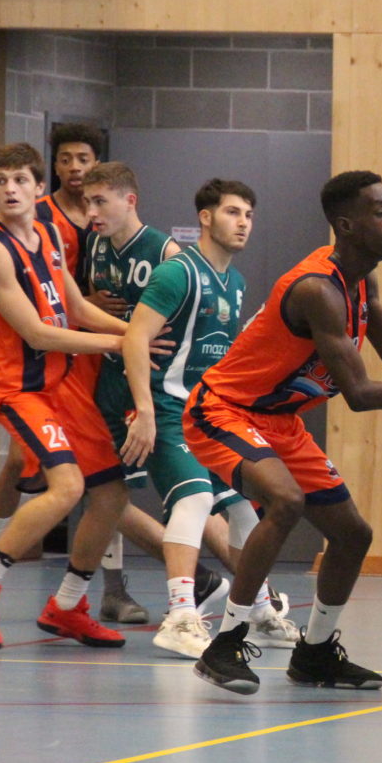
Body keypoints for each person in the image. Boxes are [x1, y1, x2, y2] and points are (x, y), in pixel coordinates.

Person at [184, 169, 382, 695]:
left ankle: (316, 653)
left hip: (279, 420)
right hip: (225, 409)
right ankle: (224, 644)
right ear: (346, 225)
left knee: (353, 535)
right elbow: (361, 394)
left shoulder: (360, 281)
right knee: (286, 500)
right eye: (380, 211)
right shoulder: (316, 290)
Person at [0, 143, 130, 650]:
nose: (10, 189)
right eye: (1, 181)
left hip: (61, 383)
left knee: (111, 494)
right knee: (67, 488)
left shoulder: (47, 234)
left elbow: (77, 308)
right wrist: (119, 344)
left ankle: (67, 606)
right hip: (19, 388)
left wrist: (136, 333)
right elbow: (38, 333)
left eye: (20, 180)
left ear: (38, 188)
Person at [121, 179, 273, 658]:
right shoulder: (177, 273)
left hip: (210, 413)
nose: (243, 222)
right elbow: (134, 338)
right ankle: (181, 616)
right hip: (167, 408)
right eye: (232, 212)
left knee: (245, 508)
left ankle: (260, 611)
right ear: (205, 218)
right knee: (195, 497)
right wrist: (144, 411)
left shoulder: (237, 283)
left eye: (248, 214)